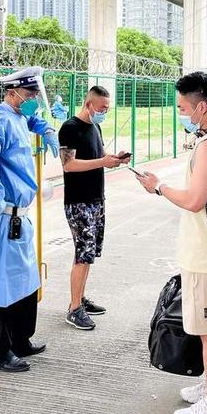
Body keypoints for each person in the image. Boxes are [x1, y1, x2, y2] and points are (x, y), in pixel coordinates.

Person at [136, 72, 207, 414]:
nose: (180, 112)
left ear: (201, 107)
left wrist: (158, 186)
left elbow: (195, 200)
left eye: (182, 107)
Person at [0, 66, 60, 373]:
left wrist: (45, 129)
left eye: (35, 94)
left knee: (24, 282)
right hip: (2, 216)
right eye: (31, 94)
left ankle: (20, 340)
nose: (34, 99)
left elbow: (31, 119)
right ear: (14, 91)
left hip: (19, 217)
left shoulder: (19, 116)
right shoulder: (0, 118)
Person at [58, 86, 131, 330]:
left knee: (89, 253)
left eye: (107, 109)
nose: (104, 113)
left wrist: (115, 159)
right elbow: (69, 165)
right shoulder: (70, 128)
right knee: (82, 254)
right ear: (89, 104)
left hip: (96, 199)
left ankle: (80, 297)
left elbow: (99, 155)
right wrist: (102, 161)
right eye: (101, 108)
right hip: (78, 202)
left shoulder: (95, 127)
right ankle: (74, 308)